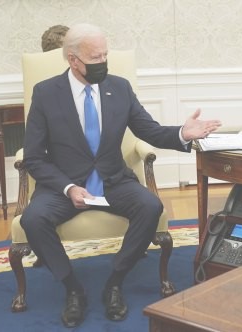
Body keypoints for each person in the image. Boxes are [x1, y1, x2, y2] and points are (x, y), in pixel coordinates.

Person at [21, 23, 221, 328]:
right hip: (64, 184)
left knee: (150, 206)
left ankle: (114, 282)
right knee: (32, 219)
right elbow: (34, 157)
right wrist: (69, 188)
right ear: (73, 59)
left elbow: (149, 130)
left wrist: (183, 133)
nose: (103, 62)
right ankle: (73, 289)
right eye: (95, 58)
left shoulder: (120, 87)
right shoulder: (46, 93)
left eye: (105, 55)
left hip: (113, 180)